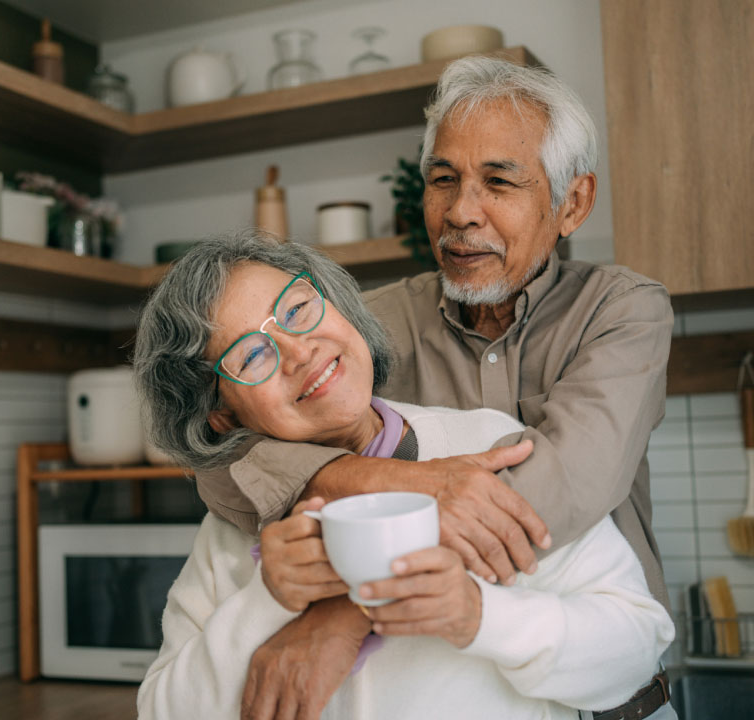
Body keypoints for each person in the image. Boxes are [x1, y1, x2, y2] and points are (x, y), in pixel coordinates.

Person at [193, 55, 675, 709]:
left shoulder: (623, 310)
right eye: (443, 180)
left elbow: (560, 486)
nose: (460, 213)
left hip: (611, 695)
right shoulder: (371, 326)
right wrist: (376, 480)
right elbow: (220, 463)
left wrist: (348, 612)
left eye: (499, 183)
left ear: (573, 203)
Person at [132, 232, 675, 720]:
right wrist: (268, 599)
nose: (299, 351)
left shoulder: (485, 447)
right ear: (222, 414)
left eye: (297, 309)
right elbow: (163, 711)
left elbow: (633, 648)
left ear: (338, 307)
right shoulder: (233, 533)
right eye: (250, 355)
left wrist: (481, 616)